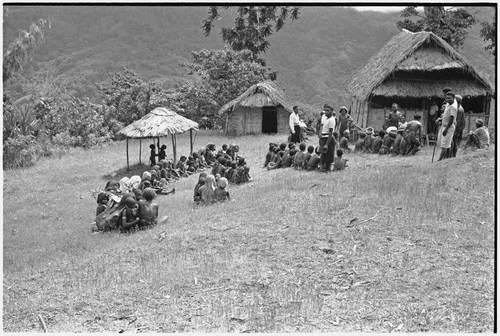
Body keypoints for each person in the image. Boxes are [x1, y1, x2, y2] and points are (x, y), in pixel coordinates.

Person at [436, 91, 457, 161]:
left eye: (450, 98)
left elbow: (451, 119)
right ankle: (446, 158)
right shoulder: (448, 104)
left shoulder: (453, 107)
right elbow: (446, 116)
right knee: (445, 143)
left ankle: (440, 160)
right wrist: (440, 119)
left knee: (445, 145)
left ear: (453, 98)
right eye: (447, 98)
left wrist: (446, 129)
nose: (448, 99)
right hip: (444, 125)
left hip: (449, 127)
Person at [319, 105, 336, 171]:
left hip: (328, 138)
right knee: (323, 153)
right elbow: (322, 126)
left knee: (329, 154)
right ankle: (322, 167)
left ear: (331, 111)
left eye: (328, 111)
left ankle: (327, 168)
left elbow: (330, 133)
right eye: (325, 111)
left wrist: (327, 144)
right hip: (323, 137)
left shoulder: (332, 120)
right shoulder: (325, 118)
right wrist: (320, 133)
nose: (326, 112)